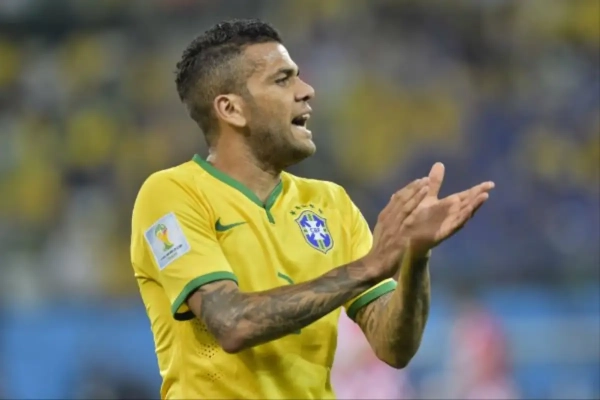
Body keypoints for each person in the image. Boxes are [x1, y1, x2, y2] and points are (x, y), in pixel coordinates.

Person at [130, 18, 494, 399]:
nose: (307, 90)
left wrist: (416, 256)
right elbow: (231, 322)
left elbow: (394, 348)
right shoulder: (171, 194)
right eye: (282, 80)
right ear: (231, 109)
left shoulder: (332, 204)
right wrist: (368, 267)